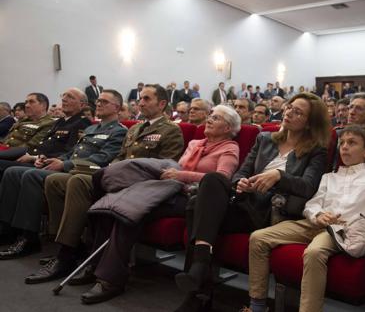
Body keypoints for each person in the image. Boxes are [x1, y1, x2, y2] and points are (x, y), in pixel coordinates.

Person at [174, 93, 331, 311]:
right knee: (211, 182)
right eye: (289, 107)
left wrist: (278, 176)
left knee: (195, 207)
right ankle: (200, 276)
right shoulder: (265, 138)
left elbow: (308, 186)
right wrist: (242, 183)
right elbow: (241, 172)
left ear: (310, 122)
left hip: (271, 212)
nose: (289, 113)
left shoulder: (316, 150)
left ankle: (198, 290)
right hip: (245, 203)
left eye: (298, 112)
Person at [78, 105, 242, 304]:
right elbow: (174, 169)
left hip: (194, 200)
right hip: (169, 189)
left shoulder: (230, 148)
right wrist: (174, 175)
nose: (209, 119)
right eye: (211, 115)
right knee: (115, 207)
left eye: (216, 118)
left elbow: (220, 180)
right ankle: (95, 266)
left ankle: (110, 280)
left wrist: (181, 175)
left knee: (130, 213)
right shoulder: (195, 143)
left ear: (227, 128)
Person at [38, 84, 183, 287]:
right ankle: (71, 244)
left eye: (147, 99)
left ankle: (68, 254)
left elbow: (165, 167)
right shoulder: (135, 129)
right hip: (116, 178)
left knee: (78, 181)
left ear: (162, 104)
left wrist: (116, 176)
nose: (140, 102)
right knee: (54, 180)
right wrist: (110, 174)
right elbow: (119, 158)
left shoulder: (171, 131)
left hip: (139, 185)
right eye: (140, 98)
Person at [244, 125, 365, 312]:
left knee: (314, 252)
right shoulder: (330, 177)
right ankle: (257, 305)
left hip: (341, 228)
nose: (344, 147)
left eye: (351, 143)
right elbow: (312, 204)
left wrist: (357, 221)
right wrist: (318, 214)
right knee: (258, 237)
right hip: (314, 223)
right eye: (342, 142)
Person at [0, 90, 126, 261]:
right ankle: (8, 229)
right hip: (69, 166)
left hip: (82, 171)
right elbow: (73, 152)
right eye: (98, 101)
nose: (98, 104)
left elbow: (103, 158)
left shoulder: (118, 131)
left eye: (104, 102)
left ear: (117, 107)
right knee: (13, 172)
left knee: (30, 175)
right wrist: (50, 159)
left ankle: (29, 237)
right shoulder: (91, 128)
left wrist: (64, 164)